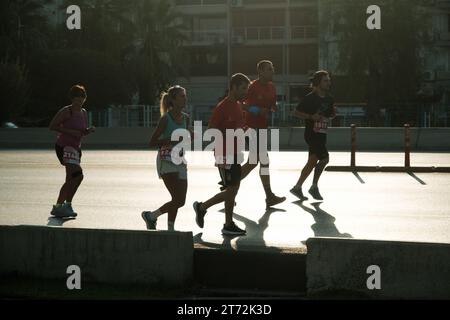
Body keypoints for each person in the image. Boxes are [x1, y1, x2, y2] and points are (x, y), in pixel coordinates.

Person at [193, 73, 250, 236]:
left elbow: (239, 126)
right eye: (243, 89)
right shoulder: (223, 107)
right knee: (232, 190)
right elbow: (211, 130)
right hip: (224, 153)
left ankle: (224, 221)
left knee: (233, 190)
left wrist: (245, 132)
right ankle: (206, 210)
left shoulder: (239, 105)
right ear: (233, 87)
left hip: (235, 152)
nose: (245, 92)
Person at [141, 85, 190, 231]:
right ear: (173, 100)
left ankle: (153, 217)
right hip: (166, 160)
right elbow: (152, 142)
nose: (185, 99)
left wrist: (191, 136)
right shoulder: (165, 119)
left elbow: (187, 137)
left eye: (185, 96)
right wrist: (170, 140)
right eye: (181, 96)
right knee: (177, 198)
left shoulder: (186, 118)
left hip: (180, 160)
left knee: (180, 201)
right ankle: (168, 227)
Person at [240, 60, 286, 208]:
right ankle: (269, 196)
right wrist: (256, 110)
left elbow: (272, 105)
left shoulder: (272, 87)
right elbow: (240, 104)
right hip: (250, 127)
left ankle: (229, 185)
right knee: (264, 161)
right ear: (260, 72)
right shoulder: (252, 87)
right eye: (269, 69)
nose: (272, 71)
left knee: (253, 162)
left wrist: (274, 108)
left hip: (262, 127)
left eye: (273, 69)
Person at [49, 85, 95, 217]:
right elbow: (52, 126)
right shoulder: (66, 111)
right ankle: (61, 206)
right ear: (72, 98)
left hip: (76, 148)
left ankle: (63, 206)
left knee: (70, 178)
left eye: (82, 96)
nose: (79, 99)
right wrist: (70, 132)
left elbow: (81, 132)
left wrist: (88, 131)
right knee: (78, 175)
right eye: (77, 97)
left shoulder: (84, 112)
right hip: (64, 146)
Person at [291, 70, 336, 201]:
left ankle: (297, 187)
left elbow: (328, 114)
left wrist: (332, 115)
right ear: (318, 83)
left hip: (322, 133)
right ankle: (314, 186)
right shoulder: (310, 98)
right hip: (312, 134)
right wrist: (311, 116)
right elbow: (295, 112)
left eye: (329, 80)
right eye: (325, 80)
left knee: (311, 162)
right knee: (325, 159)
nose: (329, 83)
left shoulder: (329, 99)